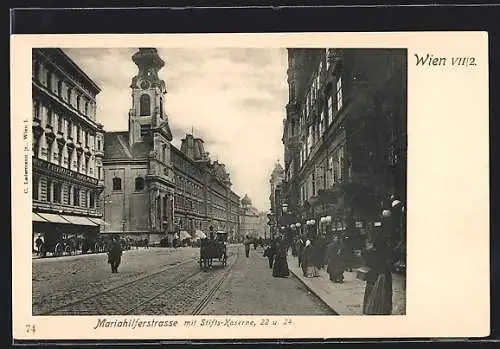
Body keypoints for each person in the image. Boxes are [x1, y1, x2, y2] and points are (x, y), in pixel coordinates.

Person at [361, 234, 394, 315]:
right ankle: (384, 310)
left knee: (370, 293)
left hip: (372, 277)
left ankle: (369, 309)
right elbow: (391, 262)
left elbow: (364, 258)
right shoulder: (386, 252)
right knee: (384, 295)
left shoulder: (369, 252)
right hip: (384, 276)